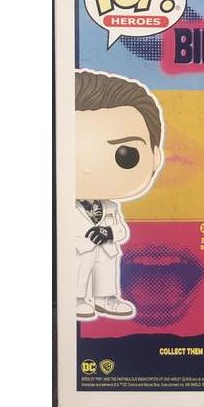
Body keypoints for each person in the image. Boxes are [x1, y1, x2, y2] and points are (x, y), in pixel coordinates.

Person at [75, 69, 164, 321]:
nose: (88, 168)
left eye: (126, 156)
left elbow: (122, 230)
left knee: (105, 271)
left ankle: (106, 298)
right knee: (78, 271)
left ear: (155, 158)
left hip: (106, 249)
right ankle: (77, 298)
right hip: (78, 249)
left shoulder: (111, 207)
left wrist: (109, 233)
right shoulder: (63, 206)